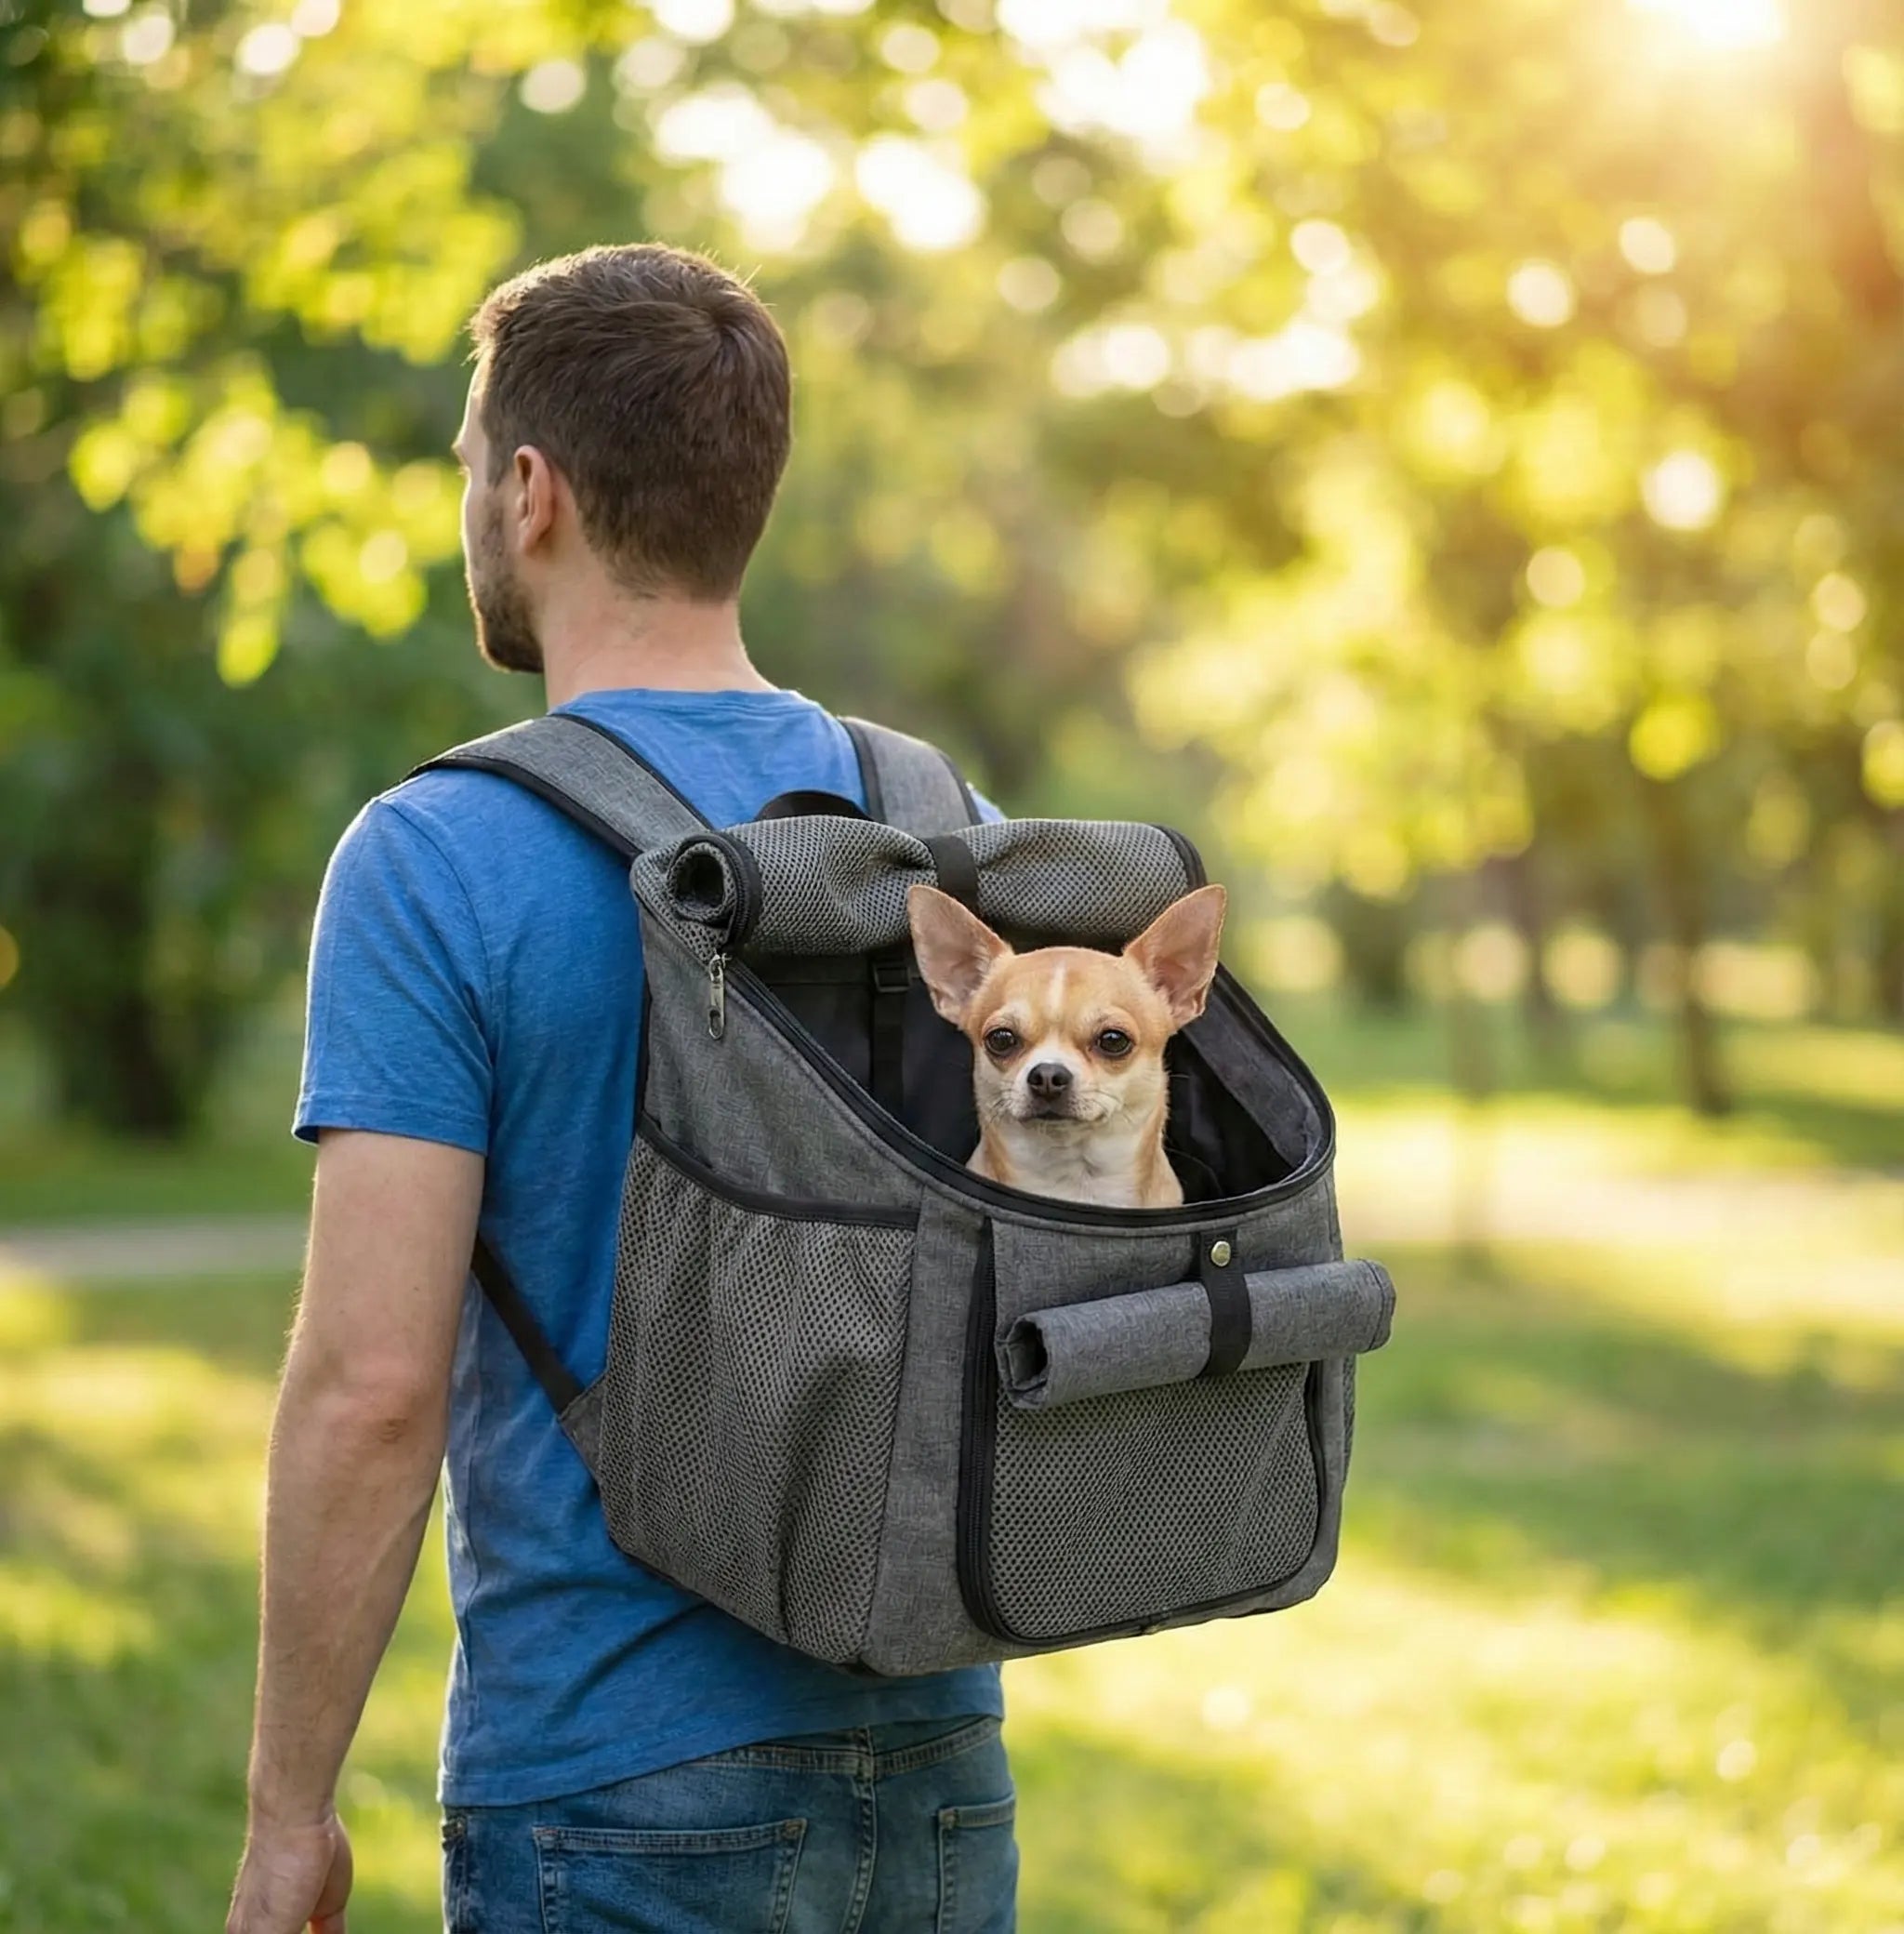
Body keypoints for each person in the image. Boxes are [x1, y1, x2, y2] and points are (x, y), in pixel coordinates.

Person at [227, 244, 1015, 1934]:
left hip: (613, 1793)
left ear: (532, 493)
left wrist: (290, 1815)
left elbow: (373, 1389)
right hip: (940, 1769)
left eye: (466, 466)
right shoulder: (935, 824)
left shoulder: (437, 855)